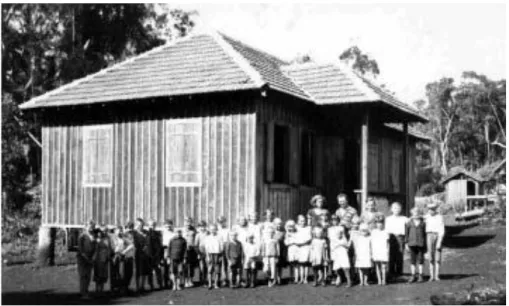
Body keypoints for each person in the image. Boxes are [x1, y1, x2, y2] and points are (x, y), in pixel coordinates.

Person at [385, 202, 408, 279]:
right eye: (394, 208)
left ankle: (399, 273)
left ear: (401, 209)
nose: (396, 210)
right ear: (391, 209)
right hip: (391, 237)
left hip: (400, 237)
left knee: (400, 255)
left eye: (398, 208)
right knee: (391, 255)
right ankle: (391, 272)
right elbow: (386, 230)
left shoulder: (404, 218)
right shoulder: (388, 219)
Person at [425, 202, 445, 282]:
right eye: (429, 209)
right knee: (430, 256)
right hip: (429, 235)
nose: (431, 211)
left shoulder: (439, 217)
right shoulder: (426, 217)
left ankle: (437, 275)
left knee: (437, 256)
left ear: (435, 209)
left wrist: (439, 241)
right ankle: (431, 275)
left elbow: (441, 229)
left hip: (437, 235)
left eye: (433, 209)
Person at [406, 208, 426, 283]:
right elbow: (406, 233)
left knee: (420, 260)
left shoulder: (423, 223)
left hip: (421, 244)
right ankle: (413, 275)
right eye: (414, 213)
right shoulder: (409, 223)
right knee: (412, 260)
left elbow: (424, 234)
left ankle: (420, 275)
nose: (416, 214)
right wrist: (406, 243)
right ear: (412, 214)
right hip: (412, 244)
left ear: (419, 214)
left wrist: (425, 244)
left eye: (417, 213)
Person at [77, 220, 96, 299]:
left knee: (88, 276)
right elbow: (81, 250)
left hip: (90, 258)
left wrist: (93, 258)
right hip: (83, 259)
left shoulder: (93, 235)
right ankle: (83, 293)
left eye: (92, 226)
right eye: (89, 226)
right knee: (83, 275)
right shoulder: (82, 236)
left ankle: (86, 291)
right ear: (86, 226)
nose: (91, 228)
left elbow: (95, 247)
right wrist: (87, 259)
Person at [371, 215, 390, 285]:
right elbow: (372, 242)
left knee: (383, 266)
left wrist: (387, 251)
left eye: (381, 223)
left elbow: (387, 243)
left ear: (383, 223)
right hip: (376, 250)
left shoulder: (386, 231)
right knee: (377, 265)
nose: (379, 225)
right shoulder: (373, 232)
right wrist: (372, 252)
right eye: (378, 223)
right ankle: (379, 280)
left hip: (383, 249)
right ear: (376, 224)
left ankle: (384, 279)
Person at [204, 224, 223, 289]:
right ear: (209, 230)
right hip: (210, 254)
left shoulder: (219, 237)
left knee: (217, 270)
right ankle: (210, 284)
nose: (213, 231)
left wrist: (221, 256)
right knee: (210, 270)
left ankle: (216, 284)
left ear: (216, 230)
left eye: (214, 229)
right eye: (211, 229)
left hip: (217, 254)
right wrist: (207, 256)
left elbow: (221, 247)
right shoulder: (207, 237)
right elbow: (206, 248)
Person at [133, 218, 149, 292]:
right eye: (139, 224)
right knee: (138, 270)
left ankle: (142, 286)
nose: (140, 226)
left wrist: (146, 247)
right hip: (137, 253)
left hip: (145, 254)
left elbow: (148, 242)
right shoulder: (134, 233)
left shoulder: (146, 232)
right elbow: (133, 243)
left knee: (144, 270)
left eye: (141, 224)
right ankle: (137, 286)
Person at [93, 227, 111, 293]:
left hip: (104, 259)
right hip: (97, 259)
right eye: (100, 232)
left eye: (102, 232)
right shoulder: (95, 240)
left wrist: (108, 256)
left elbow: (109, 248)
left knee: (103, 275)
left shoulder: (106, 239)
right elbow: (95, 250)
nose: (100, 233)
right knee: (97, 274)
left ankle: (101, 289)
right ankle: (97, 289)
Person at [146, 220, 163, 290]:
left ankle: (160, 284)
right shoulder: (146, 234)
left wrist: (159, 254)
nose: (151, 226)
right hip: (149, 255)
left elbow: (160, 244)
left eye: (153, 225)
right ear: (148, 226)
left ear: (155, 226)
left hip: (157, 254)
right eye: (150, 225)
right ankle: (151, 285)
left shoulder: (158, 234)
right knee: (149, 271)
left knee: (158, 270)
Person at [295, 214, 312, 284]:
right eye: (301, 221)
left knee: (306, 264)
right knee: (301, 264)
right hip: (299, 248)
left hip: (306, 247)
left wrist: (304, 243)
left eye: (304, 221)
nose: (303, 222)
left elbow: (310, 238)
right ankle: (301, 278)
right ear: (298, 222)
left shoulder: (308, 228)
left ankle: (306, 278)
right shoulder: (296, 228)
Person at [183, 217, 198, 288]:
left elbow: (196, 239)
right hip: (184, 250)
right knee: (185, 266)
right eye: (187, 222)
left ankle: (191, 280)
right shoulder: (182, 230)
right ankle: (186, 281)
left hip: (192, 250)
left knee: (192, 266)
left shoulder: (194, 230)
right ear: (184, 222)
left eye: (189, 222)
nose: (188, 223)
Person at [122, 222, 136, 293]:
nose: (131, 228)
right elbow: (129, 244)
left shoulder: (132, 234)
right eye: (130, 227)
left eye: (132, 227)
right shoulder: (124, 234)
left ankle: (126, 287)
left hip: (130, 256)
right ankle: (124, 288)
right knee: (125, 273)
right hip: (125, 256)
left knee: (129, 273)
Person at [161, 220, 175, 289]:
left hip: (172, 251)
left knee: (171, 268)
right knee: (165, 268)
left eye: (169, 226)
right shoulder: (162, 234)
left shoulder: (173, 234)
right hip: (164, 251)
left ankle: (172, 283)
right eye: (166, 226)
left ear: (172, 226)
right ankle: (165, 283)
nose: (168, 228)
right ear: (164, 227)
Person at [110, 226, 125, 292]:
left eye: (120, 230)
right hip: (114, 255)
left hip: (120, 255)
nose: (120, 232)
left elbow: (123, 247)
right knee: (113, 272)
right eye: (118, 230)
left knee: (120, 272)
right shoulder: (112, 238)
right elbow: (111, 247)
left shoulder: (122, 238)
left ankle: (120, 287)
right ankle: (113, 287)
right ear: (115, 231)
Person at [284, 220, 299, 284]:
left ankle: (296, 278)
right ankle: (291, 277)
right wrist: (287, 234)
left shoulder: (296, 233)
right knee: (291, 265)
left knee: (296, 265)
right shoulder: (287, 234)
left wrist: (293, 241)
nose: (291, 228)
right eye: (289, 226)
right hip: (290, 250)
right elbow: (286, 243)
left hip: (296, 250)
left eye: (292, 226)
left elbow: (297, 241)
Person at [195, 220, 209, 286]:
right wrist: (198, 253)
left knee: (207, 266)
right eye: (201, 227)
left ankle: (206, 280)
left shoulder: (208, 233)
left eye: (203, 226)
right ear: (199, 227)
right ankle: (201, 280)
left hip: (207, 250)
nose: (202, 228)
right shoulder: (198, 235)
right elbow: (196, 245)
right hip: (200, 250)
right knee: (201, 266)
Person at [217, 216, 230, 287]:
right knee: (218, 264)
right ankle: (219, 279)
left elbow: (228, 239)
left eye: (223, 221)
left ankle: (226, 279)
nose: (221, 223)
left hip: (226, 246)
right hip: (218, 247)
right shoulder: (217, 230)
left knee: (226, 264)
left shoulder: (227, 230)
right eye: (220, 222)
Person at [273, 218, 286, 285]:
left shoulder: (283, 232)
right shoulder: (272, 231)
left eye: (280, 224)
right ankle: (274, 278)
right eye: (277, 224)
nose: (278, 225)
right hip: (273, 249)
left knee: (280, 265)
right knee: (274, 264)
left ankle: (279, 278)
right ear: (274, 224)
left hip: (281, 248)